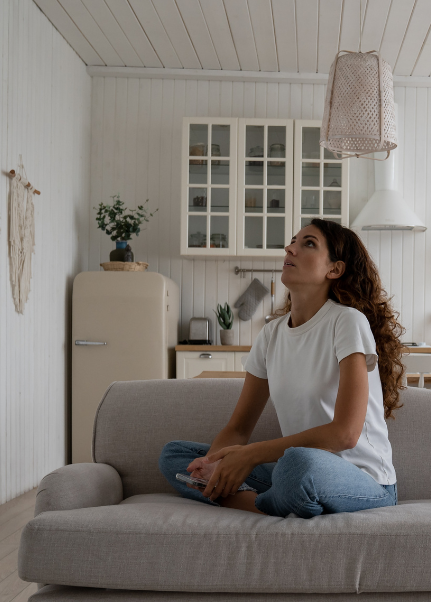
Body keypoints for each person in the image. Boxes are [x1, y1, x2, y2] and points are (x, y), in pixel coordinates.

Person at [158, 219, 405, 518]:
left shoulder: (347, 322)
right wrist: (214, 466)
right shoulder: (271, 334)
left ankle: (251, 502)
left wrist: (249, 455)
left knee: (296, 465)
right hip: (298, 472)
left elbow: (345, 435)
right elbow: (238, 428)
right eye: (293, 241)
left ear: (334, 269)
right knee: (177, 456)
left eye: (308, 243)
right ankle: (269, 502)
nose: (290, 248)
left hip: (364, 481)